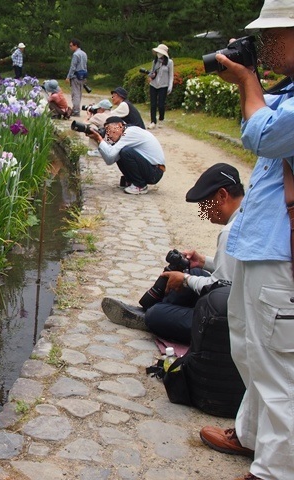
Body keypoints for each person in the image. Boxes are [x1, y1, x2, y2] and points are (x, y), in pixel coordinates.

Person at [198, 3, 294, 480]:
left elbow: (264, 134)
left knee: (278, 365)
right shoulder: (289, 91)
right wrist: (251, 81)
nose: (265, 46)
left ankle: (275, 471)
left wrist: (247, 82)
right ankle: (252, 435)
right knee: (250, 348)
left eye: (274, 35)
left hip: (283, 252)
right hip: (263, 247)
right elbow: (262, 119)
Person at [102, 163, 244, 342]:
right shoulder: (247, 216)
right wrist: (202, 262)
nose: (205, 213)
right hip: (236, 300)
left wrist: (184, 280)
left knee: (158, 313)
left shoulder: (230, 232)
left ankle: (153, 316)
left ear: (222, 195)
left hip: (232, 320)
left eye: (206, 204)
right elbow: (236, 269)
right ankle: (152, 313)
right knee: (194, 272)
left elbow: (222, 287)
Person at [86, 116, 165, 195]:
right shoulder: (125, 135)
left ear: (120, 125)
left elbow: (110, 155)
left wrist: (100, 139)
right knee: (119, 151)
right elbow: (110, 160)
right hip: (150, 168)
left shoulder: (130, 132)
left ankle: (140, 185)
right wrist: (98, 140)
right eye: (106, 131)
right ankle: (131, 181)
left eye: (109, 129)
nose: (108, 134)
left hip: (155, 171)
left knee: (125, 152)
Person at [147, 44, 174, 128]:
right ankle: (153, 121)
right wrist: (150, 75)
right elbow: (152, 72)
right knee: (153, 104)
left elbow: (171, 75)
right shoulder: (154, 62)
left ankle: (161, 118)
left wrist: (170, 86)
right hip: (154, 85)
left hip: (163, 85)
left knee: (161, 104)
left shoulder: (169, 62)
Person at [65, 38, 88, 117]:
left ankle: (76, 111)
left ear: (76, 45)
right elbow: (85, 66)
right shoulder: (84, 53)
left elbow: (73, 67)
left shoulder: (75, 54)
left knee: (75, 94)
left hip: (76, 76)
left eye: (71, 46)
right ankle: (76, 109)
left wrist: (68, 76)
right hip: (83, 75)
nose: (70, 47)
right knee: (79, 93)